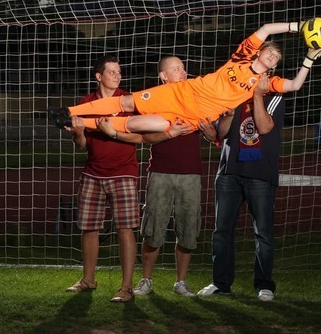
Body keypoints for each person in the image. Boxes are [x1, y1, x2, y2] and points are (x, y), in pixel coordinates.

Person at [48, 21, 321, 134]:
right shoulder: (241, 57)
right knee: (126, 103)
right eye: (269, 52)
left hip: (189, 118)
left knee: (135, 124)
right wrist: (300, 26)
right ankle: (69, 112)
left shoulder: (264, 83)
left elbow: (295, 85)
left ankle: (77, 123)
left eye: (276, 58)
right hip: (181, 93)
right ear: (260, 53)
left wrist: (309, 58)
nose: (272, 57)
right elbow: (267, 28)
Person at [97, 56, 218, 298]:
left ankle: (181, 282)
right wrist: (171, 132)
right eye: (176, 69)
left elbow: (214, 135)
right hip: (160, 172)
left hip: (190, 174)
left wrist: (208, 131)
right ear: (163, 76)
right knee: (153, 230)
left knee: (188, 230)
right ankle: (146, 280)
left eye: (183, 68)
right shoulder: (153, 99)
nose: (183, 72)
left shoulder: (196, 97)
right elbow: (145, 138)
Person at [196, 66, 289, 301]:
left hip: (260, 173)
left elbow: (264, 127)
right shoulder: (232, 93)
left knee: (263, 232)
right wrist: (228, 115)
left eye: (266, 71)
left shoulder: (275, 96)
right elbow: (221, 134)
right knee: (222, 231)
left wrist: (257, 94)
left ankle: (264, 284)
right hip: (229, 172)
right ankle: (221, 283)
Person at [63, 55, 143, 303]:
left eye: (119, 72)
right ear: (99, 76)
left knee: (125, 229)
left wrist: (114, 133)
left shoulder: (127, 100)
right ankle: (88, 279)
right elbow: (81, 144)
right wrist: (78, 133)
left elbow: (140, 137)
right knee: (89, 228)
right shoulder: (86, 103)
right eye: (112, 72)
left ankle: (126, 287)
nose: (118, 76)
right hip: (93, 173)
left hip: (123, 172)